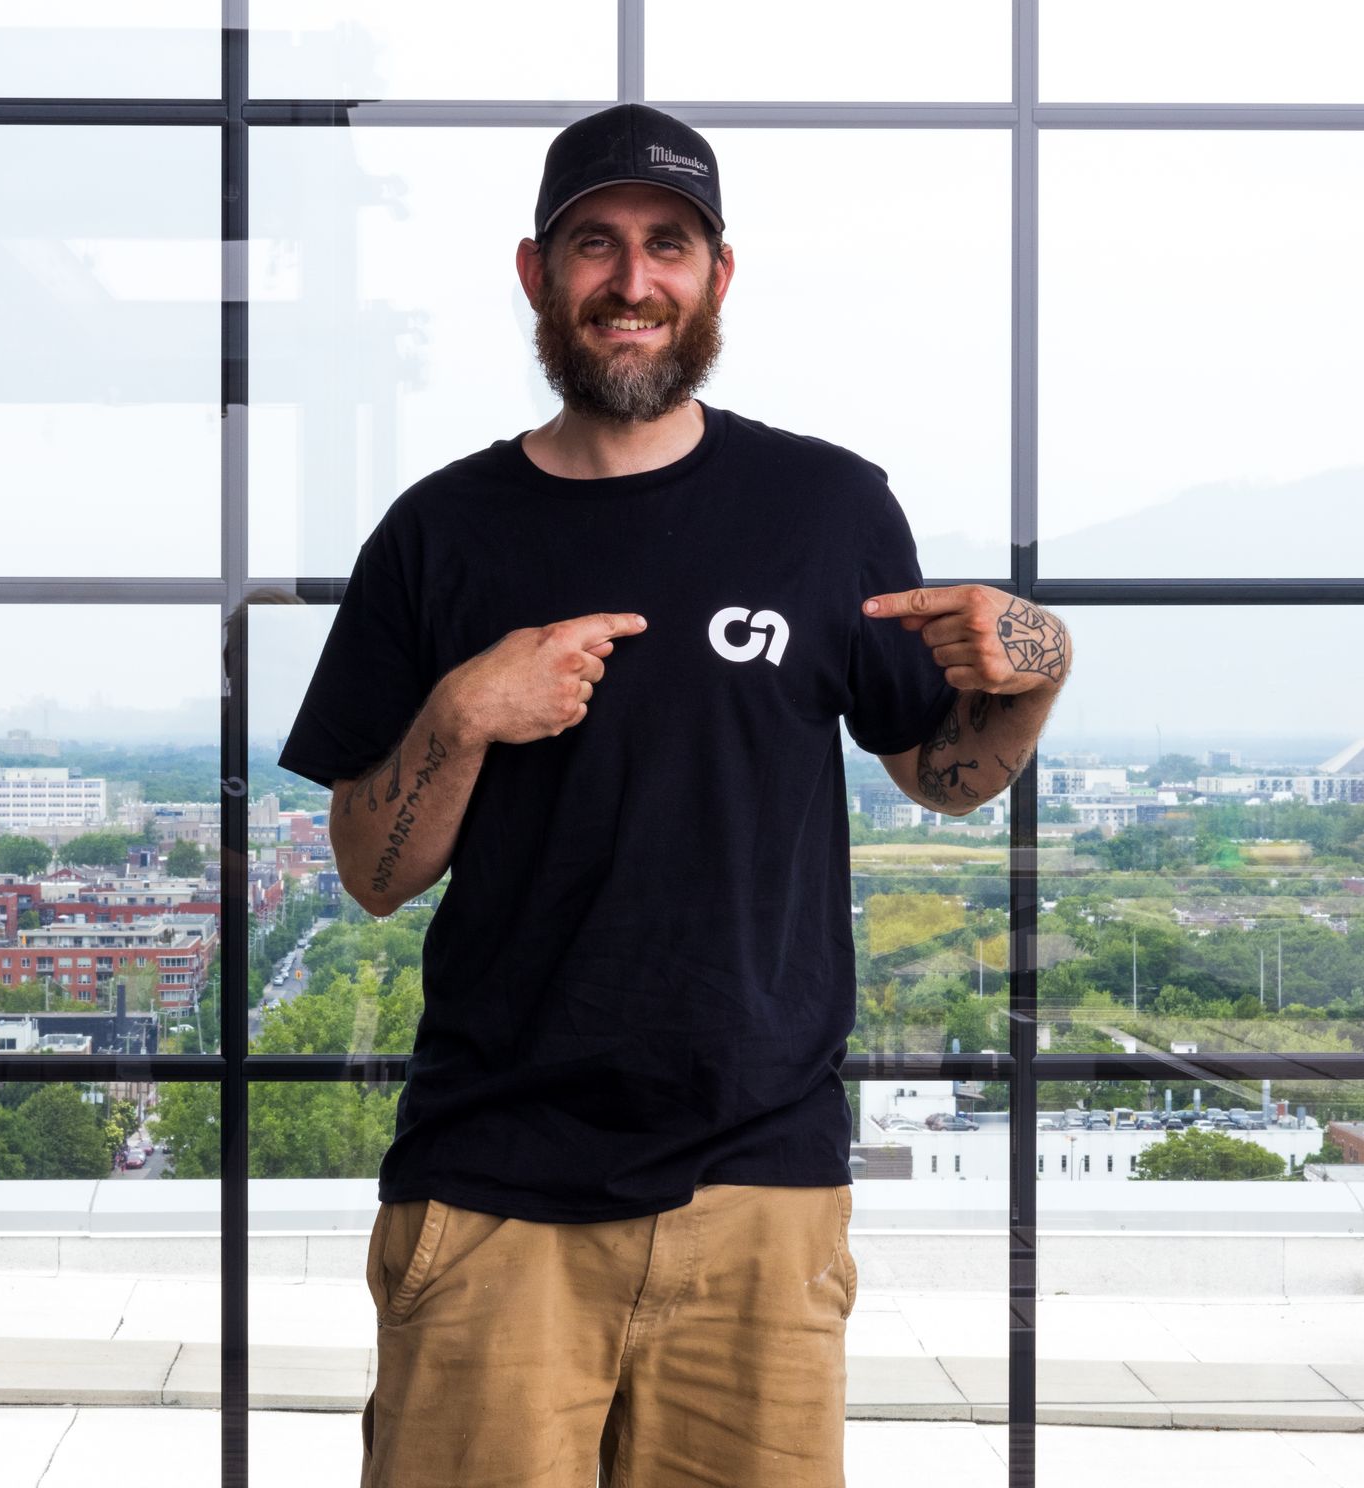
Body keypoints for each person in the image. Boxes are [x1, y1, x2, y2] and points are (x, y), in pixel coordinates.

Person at [276, 102, 1072, 1488]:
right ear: (537, 273)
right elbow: (371, 867)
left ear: (716, 276)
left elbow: (942, 776)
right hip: (494, 1186)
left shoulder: (825, 508)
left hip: (761, 1184)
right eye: (596, 244)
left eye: (667, 245)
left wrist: (1040, 672)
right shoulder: (436, 533)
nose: (631, 281)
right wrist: (465, 714)